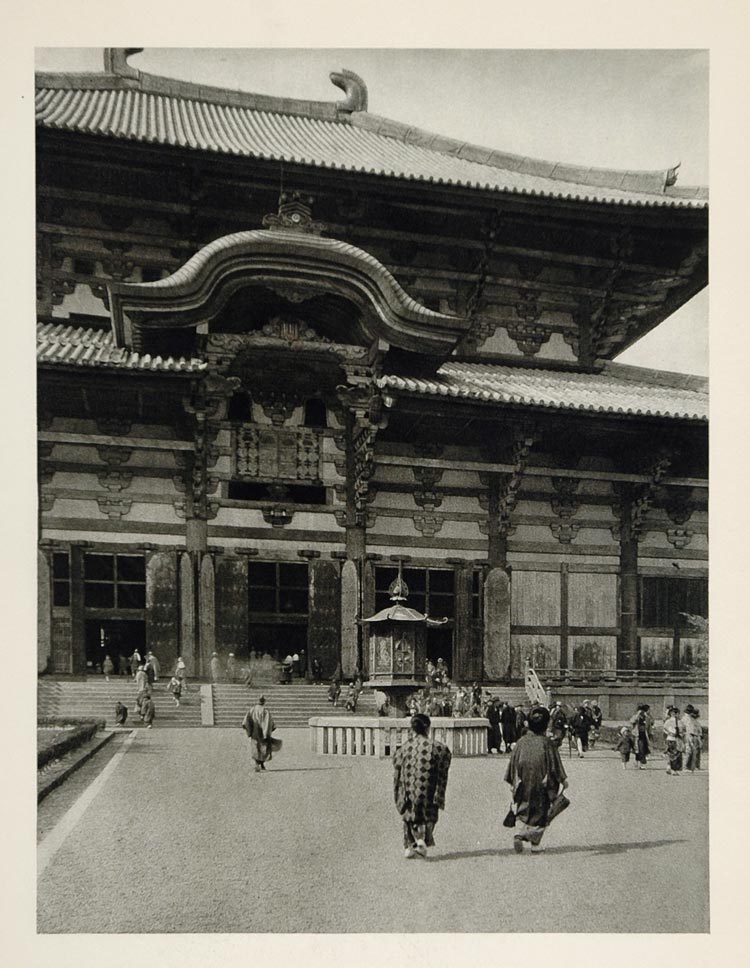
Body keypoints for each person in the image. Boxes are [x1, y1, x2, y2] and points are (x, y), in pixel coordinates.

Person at [504, 705, 569, 853]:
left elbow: (513, 762)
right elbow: (554, 763)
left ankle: (531, 842)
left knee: (525, 809)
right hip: (542, 782)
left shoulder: (521, 742)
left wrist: (512, 781)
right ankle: (523, 836)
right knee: (542, 812)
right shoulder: (547, 743)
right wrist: (562, 779)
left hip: (522, 781)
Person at [392, 713, 452, 859]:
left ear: (412, 729)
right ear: (428, 728)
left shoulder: (403, 748)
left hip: (409, 789)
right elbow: (445, 764)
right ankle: (423, 840)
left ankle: (410, 844)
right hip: (429, 789)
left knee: (409, 814)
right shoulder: (439, 748)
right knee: (430, 813)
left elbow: (396, 766)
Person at [242, 695, 276, 772]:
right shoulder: (266, 711)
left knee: (255, 747)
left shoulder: (252, 710)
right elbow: (270, 723)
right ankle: (262, 764)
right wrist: (268, 730)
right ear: (264, 702)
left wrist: (249, 730)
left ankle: (257, 764)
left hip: (255, 732)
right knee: (263, 748)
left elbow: (245, 722)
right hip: (264, 733)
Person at [663, 706, 685, 776]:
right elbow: (683, 731)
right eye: (677, 713)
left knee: (671, 754)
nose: (678, 715)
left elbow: (664, 729)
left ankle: (669, 767)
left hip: (670, 739)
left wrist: (668, 733)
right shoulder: (679, 722)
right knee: (676, 755)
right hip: (674, 740)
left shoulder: (668, 721)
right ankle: (674, 770)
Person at [630, 704, 651, 769]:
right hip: (637, 735)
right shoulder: (636, 717)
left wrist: (650, 734)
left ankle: (642, 763)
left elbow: (649, 726)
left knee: (643, 749)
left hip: (644, 735)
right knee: (638, 749)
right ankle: (637, 761)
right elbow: (632, 721)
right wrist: (637, 715)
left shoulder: (647, 718)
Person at [684, 707, 703, 773]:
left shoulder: (696, 722)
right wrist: (691, 740)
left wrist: (699, 739)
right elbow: (690, 731)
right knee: (689, 751)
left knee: (696, 752)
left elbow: (699, 732)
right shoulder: (690, 721)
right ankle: (686, 766)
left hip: (696, 737)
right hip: (692, 736)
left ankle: (694, 766)